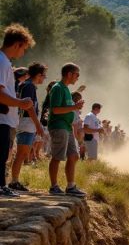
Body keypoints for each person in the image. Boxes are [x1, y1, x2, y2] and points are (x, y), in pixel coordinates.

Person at [0, 25, 34, 198]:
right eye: (24, 48)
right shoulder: (3, 62)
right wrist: (20, 103)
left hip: (6, 118)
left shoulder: (5, 61)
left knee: (4, 153)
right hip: (2, 119)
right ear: (17, 44)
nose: (23, 53)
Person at [48, 63, 86, 197]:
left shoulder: (66, 89)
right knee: (57, 157)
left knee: (74, 156)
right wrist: (74, 107)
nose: (77, 78)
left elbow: (67, 108)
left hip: (67, 127)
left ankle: (71, 186)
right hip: (59, 126)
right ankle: (54, 186)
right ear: (69, 74)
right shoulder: (58, 88)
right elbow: (55, 109)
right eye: (77, 75)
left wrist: (75, 107)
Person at [9, 63, 47, 191]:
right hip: (27, 122)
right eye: (43, 75)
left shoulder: (27, 85)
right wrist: (38, 125)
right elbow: (29, 107)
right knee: (21, 153)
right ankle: (14, 181)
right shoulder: (29, 86)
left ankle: (15, 180)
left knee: (23, 153)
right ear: (38, 75)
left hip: (26, 122)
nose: (44, 78)